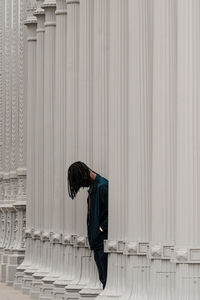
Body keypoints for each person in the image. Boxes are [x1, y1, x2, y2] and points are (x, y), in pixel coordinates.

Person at [67, 161, 108, 289]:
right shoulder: (94, 189)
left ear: (85, 174)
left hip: (102, 241)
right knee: (102, 278)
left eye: (81, 181)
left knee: (106, 278)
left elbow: (111, 213)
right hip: (97, 242)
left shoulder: (102, 186)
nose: (82, 186)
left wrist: (100, 229)